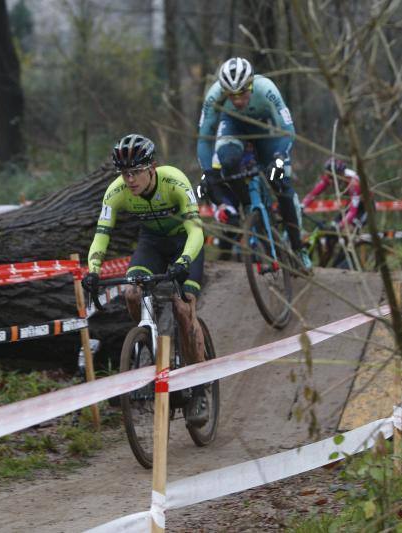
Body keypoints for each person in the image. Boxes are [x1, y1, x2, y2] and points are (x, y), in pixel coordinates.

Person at [81, 134, 209, 427]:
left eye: (136, 172)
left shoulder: (175, 181)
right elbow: (102, 235)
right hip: (151, 243)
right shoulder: (116, 193)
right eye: (125, 173)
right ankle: (147, 348)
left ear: (152, 167)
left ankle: (200, 389)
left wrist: (184, 262)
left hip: (184, 242)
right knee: (131, 294)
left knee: (183, 307)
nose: (130, 180)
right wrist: (93, 270)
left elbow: (196, 231)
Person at [196, 57, 311, 270]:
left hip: (268, 134)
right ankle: (248, 205)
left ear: (250, 84)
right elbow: (204, 138)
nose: (238, 100)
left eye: (242, 93)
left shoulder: (266, 89)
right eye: (232, 95)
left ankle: (298, 248)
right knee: (227, 162)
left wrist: (278, 156)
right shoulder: (214, 96)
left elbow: (287, 130)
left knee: (281, 185)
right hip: (233, 127)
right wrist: (207, 171)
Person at [301, 158, 366, 265]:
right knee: (330, 236)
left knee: (347, 231)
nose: (329, 180)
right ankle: (325, 265)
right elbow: (314, 193)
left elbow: (353, 211)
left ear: (340, 173)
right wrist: (302, 205)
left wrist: (341, 225)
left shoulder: (353, 183)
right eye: (328, 176)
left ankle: (346, 260)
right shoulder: (330, 177)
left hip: (364, 209)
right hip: (350, 207)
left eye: (331, 177)